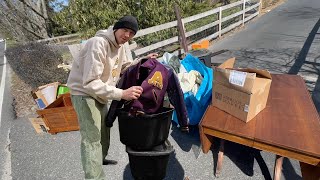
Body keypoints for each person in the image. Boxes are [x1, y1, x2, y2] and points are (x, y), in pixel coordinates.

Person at [67, 15, 158, 180]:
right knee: (92, 138)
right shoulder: (98, 44)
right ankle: (94, 176)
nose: (127, 35)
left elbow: (124, 66)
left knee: (104, 130)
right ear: (116, 28)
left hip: (101, 93)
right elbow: (90, 82)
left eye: (131, 33)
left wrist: (142, 61)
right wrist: (122, 94)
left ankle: (98, 161)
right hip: (84, 93)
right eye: (125, 30)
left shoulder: (122, 45)